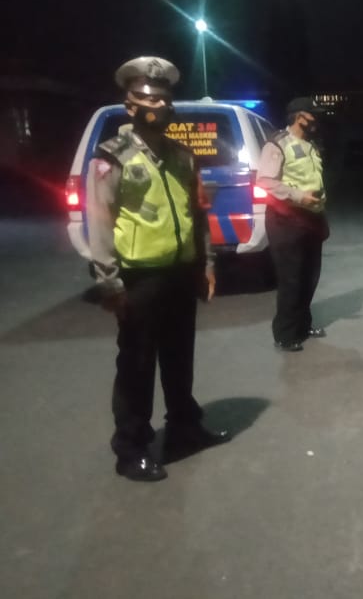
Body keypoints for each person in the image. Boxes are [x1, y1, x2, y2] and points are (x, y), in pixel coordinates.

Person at [85, 56, 229, 482]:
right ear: (129, 106)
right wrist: (109, 282)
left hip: (180, 273)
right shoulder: (111, 158)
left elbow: (197, 214)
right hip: (139, 278)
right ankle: (131, 448)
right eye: (149, 99)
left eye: (165, 99)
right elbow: (100, 222)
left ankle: (185, 429)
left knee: (179, 356)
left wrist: (207, 263)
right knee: (137, 365)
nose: (160, 106)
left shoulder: (182, 156)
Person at [258, 97, 329, 352]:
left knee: (310, 276)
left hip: (311, 219)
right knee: (291, 278)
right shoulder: (277, 144)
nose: (316, 120)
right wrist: (299, 197)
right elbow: (265, 181)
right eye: (313, 115)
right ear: (300, 117)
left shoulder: (311, 145)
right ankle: (285, 334)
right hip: (286, 220)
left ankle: (303, 325)